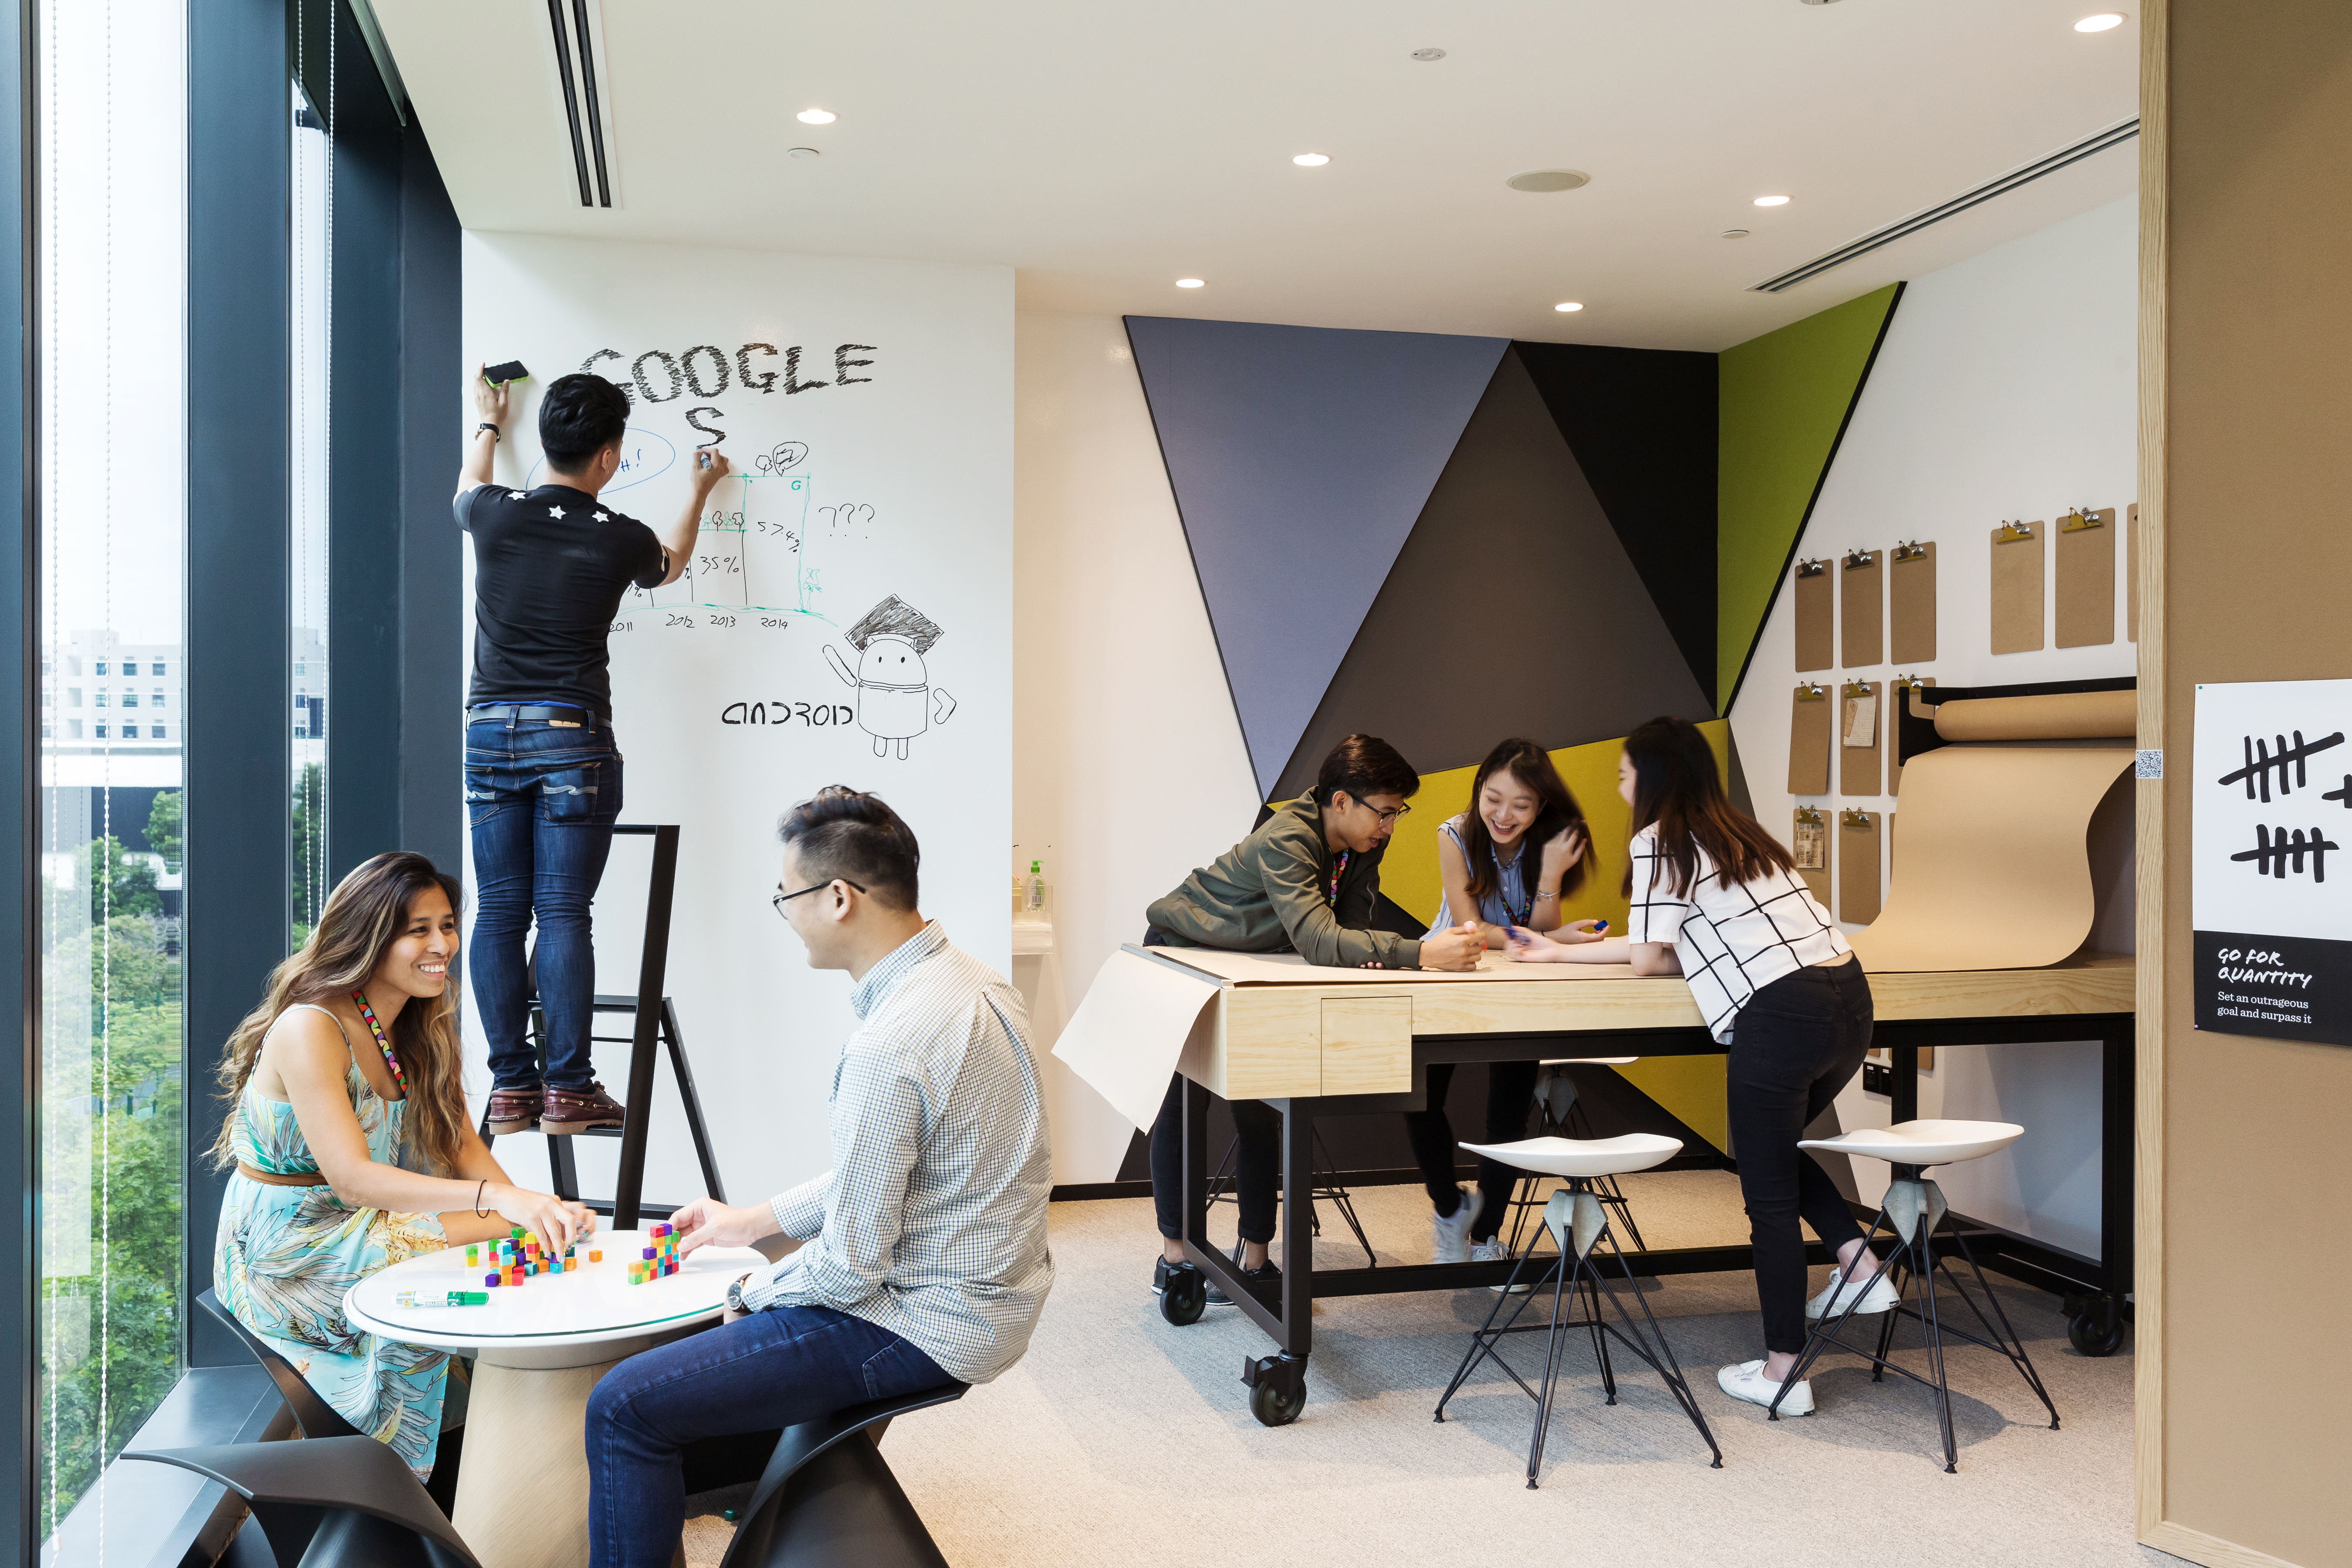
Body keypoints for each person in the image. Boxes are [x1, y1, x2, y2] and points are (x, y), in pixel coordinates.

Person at [583, 789, 1053, 1568]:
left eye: (786, 896)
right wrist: (751, 1223)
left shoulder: (890, 1044)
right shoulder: (973, 982)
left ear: (839, 897)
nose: (786, 913)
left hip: (920, 1323)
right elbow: (896, 1170)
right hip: (995, 1297)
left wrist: (746, 1296)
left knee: (622, 1406)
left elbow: (851, 1266)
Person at [1504, 716, 1893, 1416]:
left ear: (1652, 778)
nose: (1620, 788)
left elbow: (1653, 957)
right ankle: (1859, 1263)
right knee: (1776, 1151)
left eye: (1624, 775)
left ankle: (1782, 1370)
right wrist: (1558, 952)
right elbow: (1681, 942)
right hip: (1849, 1003)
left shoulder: (1660, 840)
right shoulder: (1746, 836)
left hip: (1782, 1015)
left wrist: (1555, 954)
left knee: (1767, 1193)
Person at [210, 852, 595, 1477]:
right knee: (494, 1236)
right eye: (418, 930)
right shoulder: (311, 1026)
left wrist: (537, 1211)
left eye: (447, 925)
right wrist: (506, 1206)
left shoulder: (413, 1021)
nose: (442, 944)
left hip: (359, 1225)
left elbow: (458, 1144)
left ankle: (504, 1466)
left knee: (529, 1237)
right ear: (368, 935)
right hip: (290, 1251)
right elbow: (352, 1177)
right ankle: (408, 1484)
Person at [458, 369, 732, 1137]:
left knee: (502, 910)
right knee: (562, 910)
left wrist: (488, 422)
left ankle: (512, 1090)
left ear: (545, 438)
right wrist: (701, 491)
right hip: (571, 734)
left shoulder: (491, 514)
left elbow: (470, 479)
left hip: (487, 728)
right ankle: (569, 1089)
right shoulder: (618, 536)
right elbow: (672, 562)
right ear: (609, 458)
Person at [1142, 734, 1484, 1301]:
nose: (1391, 827)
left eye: (1398, 813)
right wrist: (1423, 953)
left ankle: (1255, 1261)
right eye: (1385, 811)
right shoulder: (1288, 838)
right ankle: (1176, 1258)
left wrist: (1386, 958)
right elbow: (1324, 940)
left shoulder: (1362, 841)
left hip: (1258, 960)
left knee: (1261, 1107)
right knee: (1184, 1105)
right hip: (1185, 948)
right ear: (1342, 801)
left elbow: (1344, 938)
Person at [1401, 737, 1594, 1264]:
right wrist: (1541, 940)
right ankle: (1449, 1210)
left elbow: (1544, 931)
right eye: (1493, 798)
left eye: (1522, 805)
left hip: (1521, 987)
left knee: (1508, 1116)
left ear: (1541, 807)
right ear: (1479, 790)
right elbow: (1469, 926)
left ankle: (1487, 1236)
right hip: (1450, 971)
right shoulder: (1455, 834)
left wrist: (1551, 876)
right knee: (1418, 1098)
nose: (1503, 815)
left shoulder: (1551, 843)